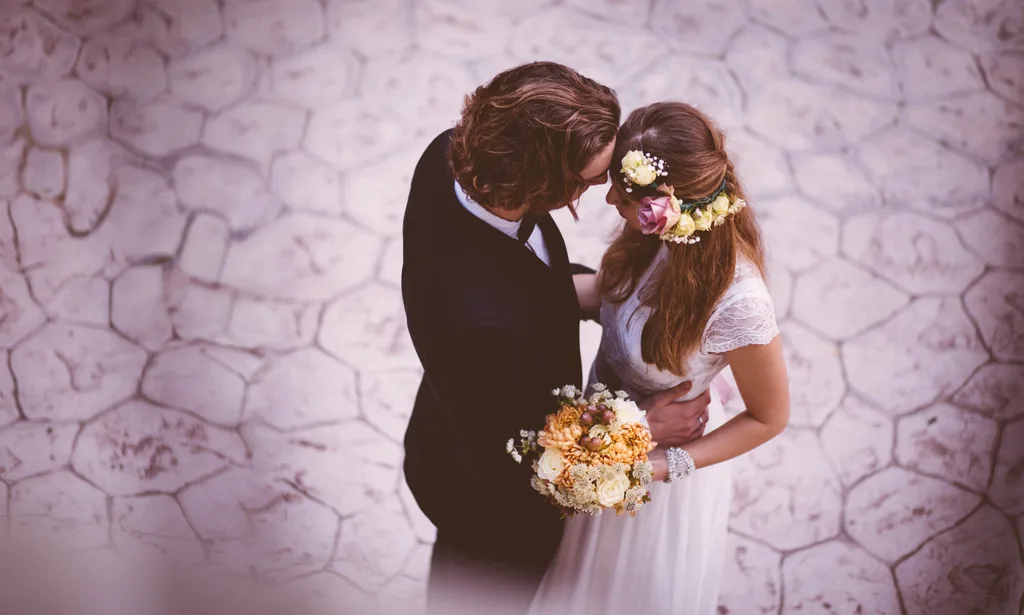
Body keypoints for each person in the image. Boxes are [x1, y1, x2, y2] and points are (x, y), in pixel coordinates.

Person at [401, 65, 714, 614]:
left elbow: (517, 274)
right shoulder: (482, 330)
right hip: (490, 515)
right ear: (540, 186)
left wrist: (608, 291)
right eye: (594, 179)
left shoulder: (453, 156)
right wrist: (641, 428)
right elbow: (519, 460)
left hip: (460, 413)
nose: (607, 186)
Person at [529, 102, 791, 615]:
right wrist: (509, 292)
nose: (607, 198)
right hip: (598, 441)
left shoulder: (740, 304)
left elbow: (769, 417)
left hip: (655, 474)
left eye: (622, 195)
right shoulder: (652, 236)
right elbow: (606, 293)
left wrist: (656, 464)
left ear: (666, 204)